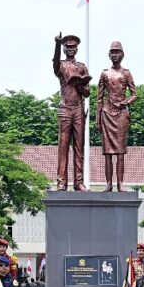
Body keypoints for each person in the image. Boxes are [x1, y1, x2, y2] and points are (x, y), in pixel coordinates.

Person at [96, 40, 138, 192]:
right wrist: (97, 120)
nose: (115, 55)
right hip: (107, 113)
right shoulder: (104, 73)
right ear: (109, 55)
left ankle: (120, 183)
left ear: (123, 54)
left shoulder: (126, 73)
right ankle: (109, 183)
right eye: (113, 52)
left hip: (121, 114)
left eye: (117, 52)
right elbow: (99, 98)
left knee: (120, 151)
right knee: (107, 152)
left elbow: (135, 94)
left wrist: (125, 102)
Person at [52, 33, 90, 191]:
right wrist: (56, 45)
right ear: (64, 48)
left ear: (77, 49)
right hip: (65, 108)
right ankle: (61, 181)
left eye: (73, 47)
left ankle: (78, 182)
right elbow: (55, 66)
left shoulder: (82, 67)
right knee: (63, 146)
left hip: (79, 109)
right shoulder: (61, 65)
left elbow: (87, 93)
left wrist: (80, 85)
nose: (71, 49)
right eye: (67, 47)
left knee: (79, 146)